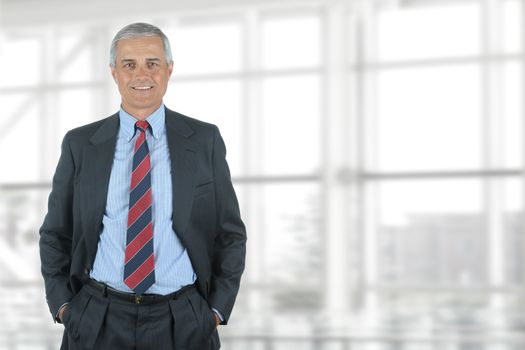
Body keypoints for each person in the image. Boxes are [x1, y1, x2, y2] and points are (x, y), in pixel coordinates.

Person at [39, 22, 247, 350]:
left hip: (183, 320)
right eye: (129, 65)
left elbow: (230, 234)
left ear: (169, 69)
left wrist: (215, 312)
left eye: (152, 63)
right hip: (98, 318)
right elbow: (55, 233)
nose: (141, 75)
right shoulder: (80, 144)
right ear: (114, 73)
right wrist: (65, 307)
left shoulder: (205, 139)